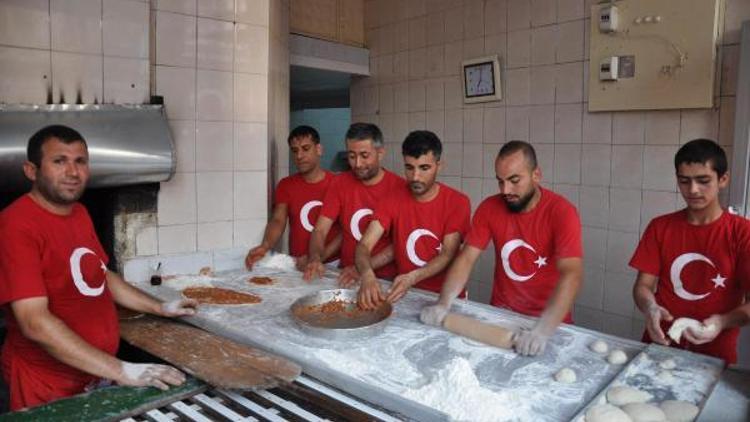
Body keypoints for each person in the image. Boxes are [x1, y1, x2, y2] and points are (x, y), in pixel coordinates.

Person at [0, 125, 198, 411]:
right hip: (46, 385)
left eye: (80, 161)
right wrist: (122, 371)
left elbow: (100, 276)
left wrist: (159, 307)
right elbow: (34, 323)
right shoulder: (16, 226)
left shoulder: (79, 213)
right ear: (31, 170)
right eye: (59, 161)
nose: (73, 172)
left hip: (94, 373)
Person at [420, 140, 583, 356]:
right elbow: (467, 257)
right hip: (500, 316)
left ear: (536, 175)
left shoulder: (562, 213)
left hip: (549, 321)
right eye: (500, 181)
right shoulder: (490, 208)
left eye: (514, 181)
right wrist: (444, 303)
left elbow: (572, 273)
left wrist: (542, 331)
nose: (506, 190)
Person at [630, 138, 750, 364]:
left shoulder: (742, 232)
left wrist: (722, 322)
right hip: (660, 345)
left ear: (723, 179)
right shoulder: (660, 227)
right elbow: (643, 286)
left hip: (715, 355)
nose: (693, 190)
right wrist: (650, 308)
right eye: (684, 181)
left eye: (703, 181)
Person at [355, 131, 471, 309]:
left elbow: (448, 253)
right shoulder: (391, 199)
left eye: (424, 168)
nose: (415, 177)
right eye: (409, 168)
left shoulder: (458, 202)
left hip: (447, 298)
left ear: (439, 166)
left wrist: (413, 277)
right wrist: (367, 274)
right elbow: (364, 246)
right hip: (404, 295)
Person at [304, 123, 400, 284]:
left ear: (380, 153)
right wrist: (315, 257)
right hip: (344, 275)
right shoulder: (339, 183)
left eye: (364, 155)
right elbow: (320, 230)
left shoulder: (399, 188)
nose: (357, 164)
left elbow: (398, 245)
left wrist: (362, 269)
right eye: (352, 156)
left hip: (385, 279)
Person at [244, 126, 340, 270]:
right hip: (298, 264)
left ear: (319, 149)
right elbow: (278, 220)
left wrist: (317, 259)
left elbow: (346, 232)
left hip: (333, 264)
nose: (299, 156)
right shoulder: (286, 185)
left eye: (305, 148)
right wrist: (265, 245)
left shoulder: (338, 184)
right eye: (295, 151)